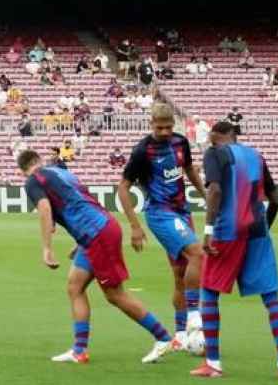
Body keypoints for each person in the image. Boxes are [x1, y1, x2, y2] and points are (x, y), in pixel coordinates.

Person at [19, 148, 176, 365]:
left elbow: (45, 210)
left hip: (97, 234)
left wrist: (46, 248)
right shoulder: (62, 173)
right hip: (97, 230)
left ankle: (164, 338)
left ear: (23, 171)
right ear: (39, 160)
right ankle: (79, 350)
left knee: (114, 294)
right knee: (75, 287)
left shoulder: (33, 181)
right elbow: (83, 200)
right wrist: (80, 241)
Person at [191, 120, 278, 381]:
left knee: (209, 292)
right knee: (271, 299)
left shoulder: (215, 153)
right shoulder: (256, 155)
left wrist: (208, 232)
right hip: (257, 232)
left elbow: (214, 190)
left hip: (227, 232)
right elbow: (276, 200)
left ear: (225, 135)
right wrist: (263, 228)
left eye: (213, 136)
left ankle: (213, 363)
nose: (210, 141)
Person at [118, 103, 206, 353]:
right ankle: (194, 316)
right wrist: (134, 226)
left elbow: (188, 169)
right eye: (160, 128)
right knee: (197, 254)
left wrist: (205, 194)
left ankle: (179, 335)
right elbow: (123, 187)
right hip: (159, 212)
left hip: (182, 212)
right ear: (151, 124)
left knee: (181, 274)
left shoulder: (180, 143)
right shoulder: (142, 151)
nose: (166, 132)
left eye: (169, 127)